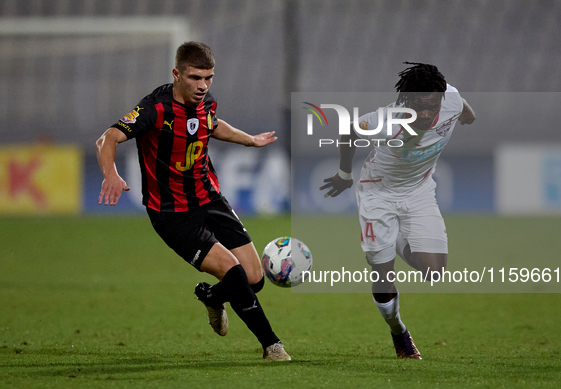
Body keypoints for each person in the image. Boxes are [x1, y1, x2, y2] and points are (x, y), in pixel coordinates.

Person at [96, 41, 290, 361]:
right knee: (233, 271)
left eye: (208, 78)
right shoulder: (154, 109)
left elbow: (213, 125)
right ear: (176, 74)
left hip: (209, 198)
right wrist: (111, 174)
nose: (202, 86)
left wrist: (249, 140)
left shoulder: (206, 102)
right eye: (195, 78)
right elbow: (108, 138)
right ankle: (272, 345)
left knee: (253, 278)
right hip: (173, 214)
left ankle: (213, 297)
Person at [320, 62, 476, 359]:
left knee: (435, 272)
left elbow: (461, 104)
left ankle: (394, 242)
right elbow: (349, 131)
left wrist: (468, 115)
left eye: (433, 106)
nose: (427, 114)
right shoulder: (385, 120)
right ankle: (399, 332)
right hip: (378, 192)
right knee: (382, 273)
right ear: (405, 101)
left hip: (419, 191)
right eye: (419, 106)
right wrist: (344, 174)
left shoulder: (450, 99)